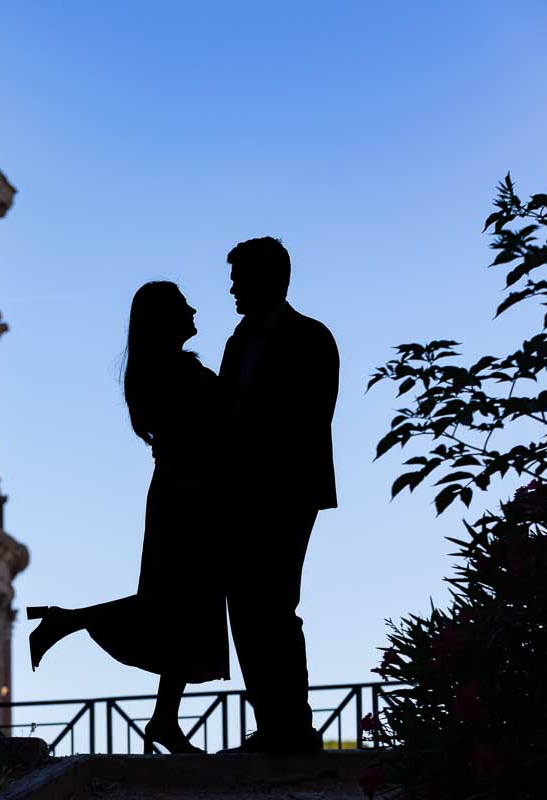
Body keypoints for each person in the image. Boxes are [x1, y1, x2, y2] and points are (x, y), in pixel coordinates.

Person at [27, 281, 230, 755]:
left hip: (179, 493)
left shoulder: (154, 371)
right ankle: (67, 621)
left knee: (181, 606)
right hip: (189, 496)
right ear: (165, 318)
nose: (194, 309)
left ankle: (164, 718)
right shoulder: (178, 372)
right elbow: (222, 419)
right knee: (176, 602)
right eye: (183, 305)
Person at [216, 237, 339, 755]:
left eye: (240, 279)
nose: (232, 289)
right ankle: (271, 722)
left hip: (287, 491)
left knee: (276, 603)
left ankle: (292, 725)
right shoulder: (237, 341)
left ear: (270, 280)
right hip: (240, 495)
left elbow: (313, 416)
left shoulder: (311, 337)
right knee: (245, 607)